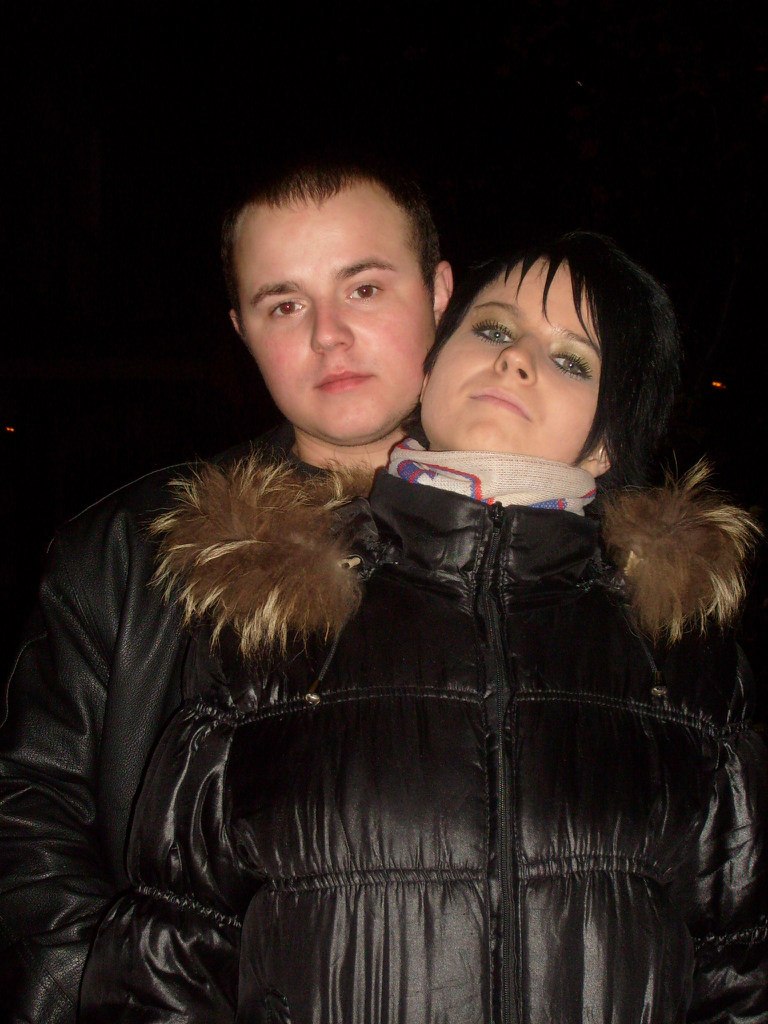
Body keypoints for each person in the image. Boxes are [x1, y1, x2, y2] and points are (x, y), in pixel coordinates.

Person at [77, 232, 767, 1022]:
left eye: (572, 360)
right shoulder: (276, 623)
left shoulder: (683, 659)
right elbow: (168, 955)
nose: (517, 360)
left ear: (608, 445)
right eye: (494, 328)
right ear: (430, 368)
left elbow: (741, 967)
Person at [0, 160, 452, 1023]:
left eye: (363, 288)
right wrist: (105, 1000)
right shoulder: (128, 553)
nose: (328, 336)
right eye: (284, 305)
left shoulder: (558, 550)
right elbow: (29, 815)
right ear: (242, 329)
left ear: (438, 292)